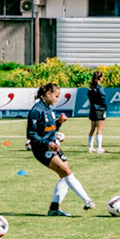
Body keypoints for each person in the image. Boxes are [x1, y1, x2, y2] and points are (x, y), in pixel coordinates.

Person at [29, 82, 95, 215]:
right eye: (56, 96)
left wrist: (58, 123)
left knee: (65, 174)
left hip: (53, 146)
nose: (58, 99)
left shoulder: (48, 109)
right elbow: (31, 134)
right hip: (42, 149)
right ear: (48, 94)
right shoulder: (36, 110)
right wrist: (47, 144)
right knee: (66, 173)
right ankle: (87, 200)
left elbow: (49, 129)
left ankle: (54, 208)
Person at [85, 70, 108, 154]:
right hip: (99, 109)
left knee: (92, 128)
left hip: (92, 109)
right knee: (100, 128)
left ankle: (90, 147)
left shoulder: (90, 88)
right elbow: (102, 99)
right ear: (100, 78)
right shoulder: (100, 88)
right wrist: (105, 108)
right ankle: (99, 147)